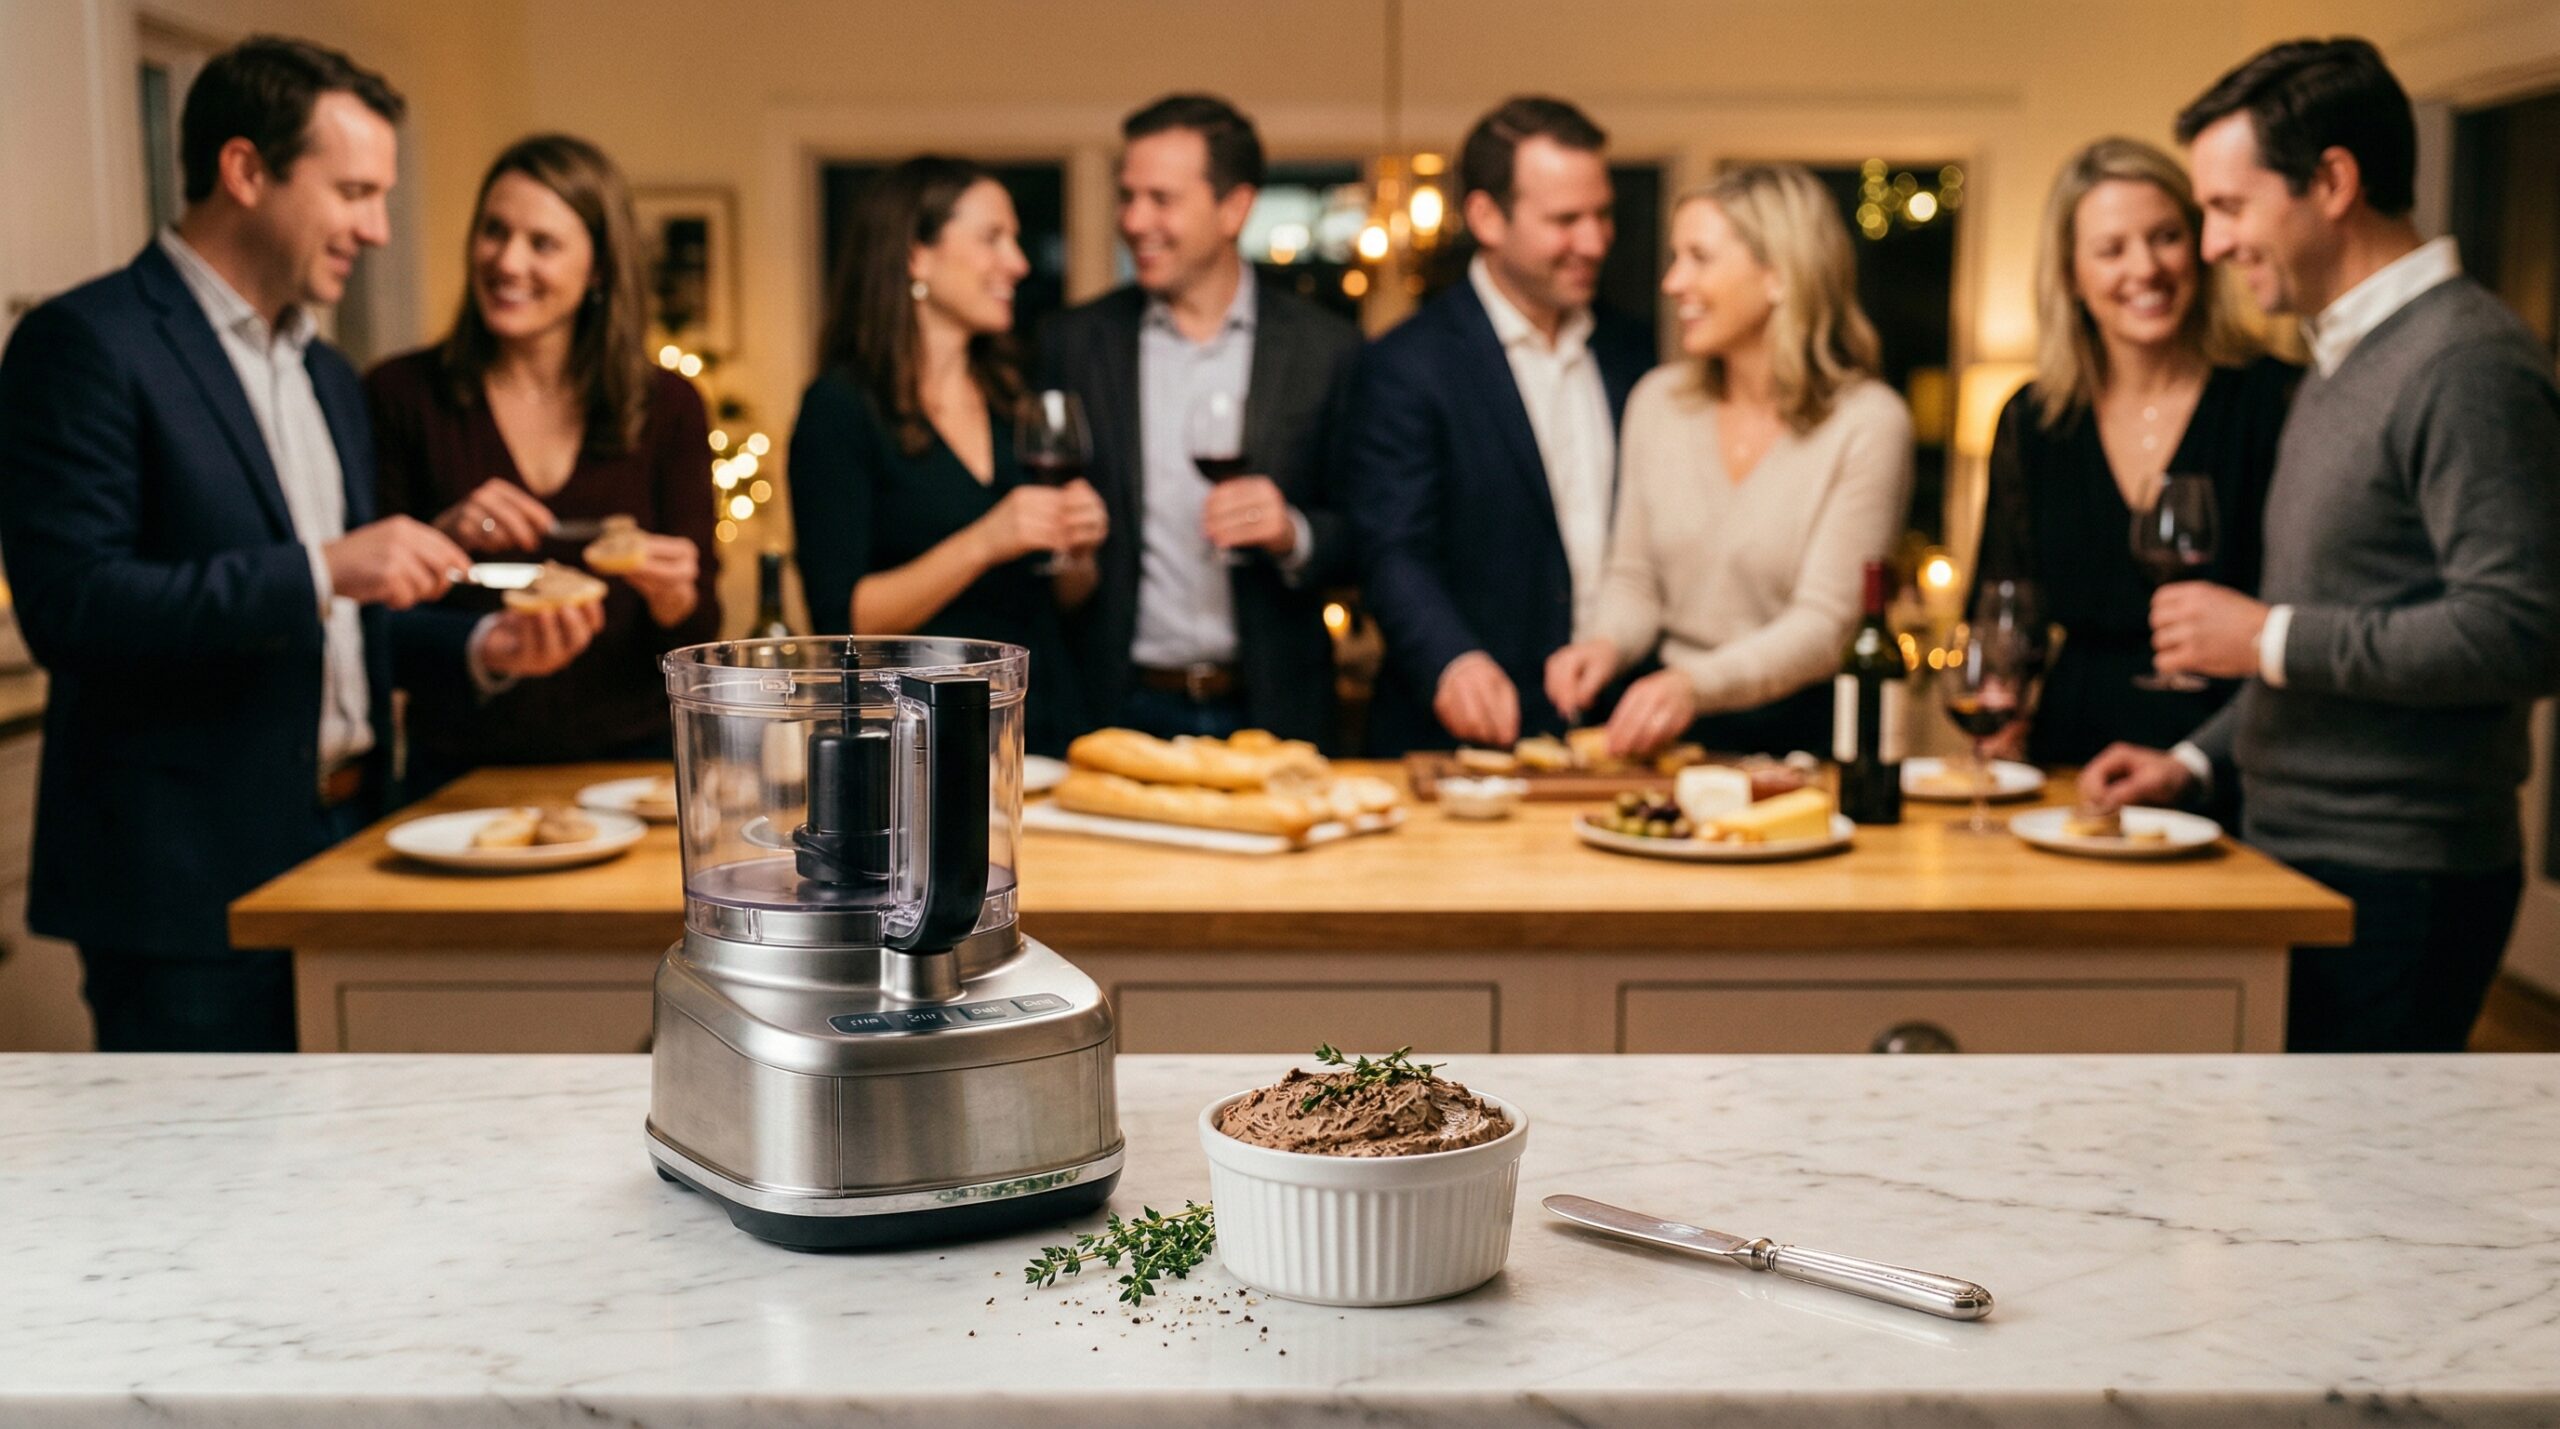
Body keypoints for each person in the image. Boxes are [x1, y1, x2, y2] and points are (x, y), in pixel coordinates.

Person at [0, 37, 596, 1052]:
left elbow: (323, 627)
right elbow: (76, 608)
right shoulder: (85, 343)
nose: (377, 228)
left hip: (356, 841)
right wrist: (329, 564)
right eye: (355, 192)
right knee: (217, 1204)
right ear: (245, 170)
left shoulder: (324, 374)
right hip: (186, 887)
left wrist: (475, 650)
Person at [2083, 38, 2560, 1052]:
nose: (2210, 245)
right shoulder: (2336, 363)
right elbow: (2332, 627)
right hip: (2294, 857)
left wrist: (2263, 638)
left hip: (2399, 880)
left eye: (2227, 206)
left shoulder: (2466, 360)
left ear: (2332, 182)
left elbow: (2520, 631)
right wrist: (2189, 763)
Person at [369, 134, 720, 795]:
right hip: (454, 775)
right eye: (494, 231)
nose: (507, 260)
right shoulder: (400, 395)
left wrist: (676, 596)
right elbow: (372, 630)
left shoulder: (668, 405)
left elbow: (701, 631)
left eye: (543, 243)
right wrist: (446, 540)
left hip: (631, 774)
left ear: (597, 270)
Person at [1544, 165, 1913, 757]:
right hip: (1666, 731)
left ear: (1778, 277)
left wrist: (1695, 684)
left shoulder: (1868, 423)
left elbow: (1826, 626)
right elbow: (1635, 581)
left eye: (1699, 257)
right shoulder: (1658, 404)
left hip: (1799, 744)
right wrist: (1604, 645)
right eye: (1673, 257)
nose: (1672, 281)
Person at [1037, 94, 1362, 744]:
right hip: (1116, 709)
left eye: (1161, 199)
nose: (1134, 220)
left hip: (1274, 710)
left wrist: (1292, 532)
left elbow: (1369, 532)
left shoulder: (1327, 349)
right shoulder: (1074, 342)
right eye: (1128, 197)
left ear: (1234, 208)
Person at [1345, 96, 1653, 755]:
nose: (1594, 242)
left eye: (1602, 215)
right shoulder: (1407, 363)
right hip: (1463, 740)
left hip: (1616, 734)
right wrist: (1453, 659)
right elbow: (1392, 548)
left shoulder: (1633, 351)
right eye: (1566, 220)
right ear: (1486, 216)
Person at [1973, 136, 2294, 768]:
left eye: (2166, 237)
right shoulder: (2035, 419)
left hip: (2233, 758)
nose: (2145, 268)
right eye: (2112, 249)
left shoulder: (2273, 400)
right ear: (2070, 273)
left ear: (2201, 248)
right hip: (2071, 764)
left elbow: (2303, 612)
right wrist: (1999, 698)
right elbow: (2006, 603)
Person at [791, 156, 1106, 755]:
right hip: (915, 744)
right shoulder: (840, 408)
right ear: (916, 255)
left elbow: (1062, 596)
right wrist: (986, 540)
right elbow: (843, 622)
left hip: (1040, 728)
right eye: (993, 238)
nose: (1018, 262)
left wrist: (1078, 552)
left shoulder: (1015, 394)